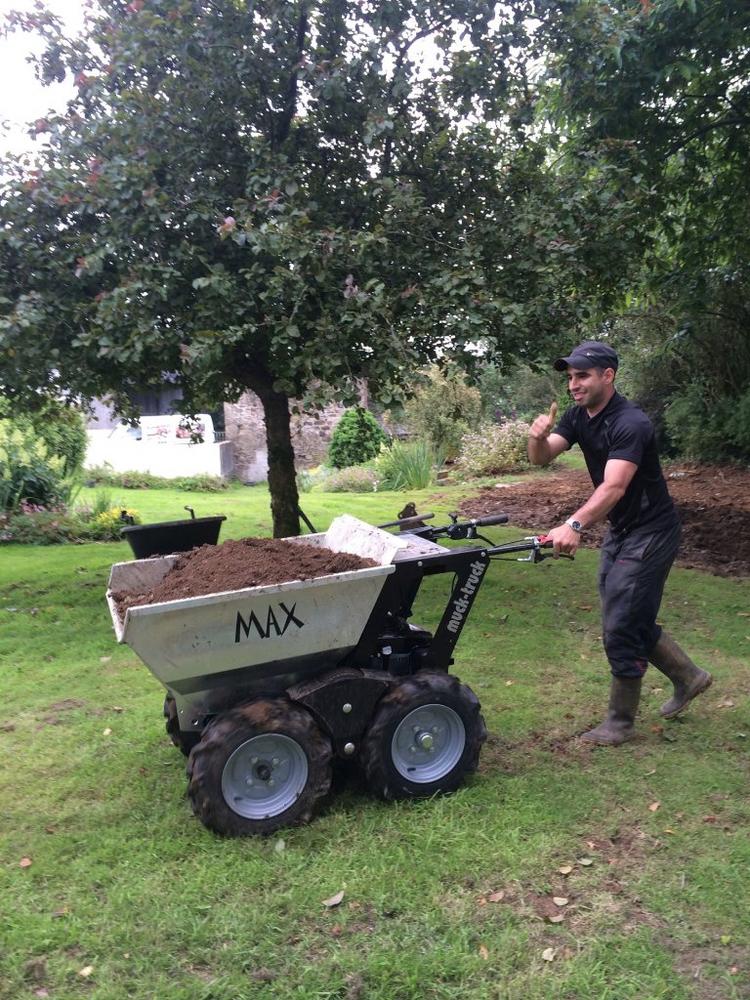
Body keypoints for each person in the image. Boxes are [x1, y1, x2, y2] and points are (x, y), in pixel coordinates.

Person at [527, 340, 712, 745]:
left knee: (621, 622)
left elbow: (614, 486)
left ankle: (620, 722)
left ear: (607, 376)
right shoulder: (578, 417)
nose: (574, 384)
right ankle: (689, 676)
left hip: (652, 530)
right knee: (625, 613)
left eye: (583, 376)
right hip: (624, 530)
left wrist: (574, 524)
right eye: (571, 377)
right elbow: (541, 459)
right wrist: (538, 437)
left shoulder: (631, 422)